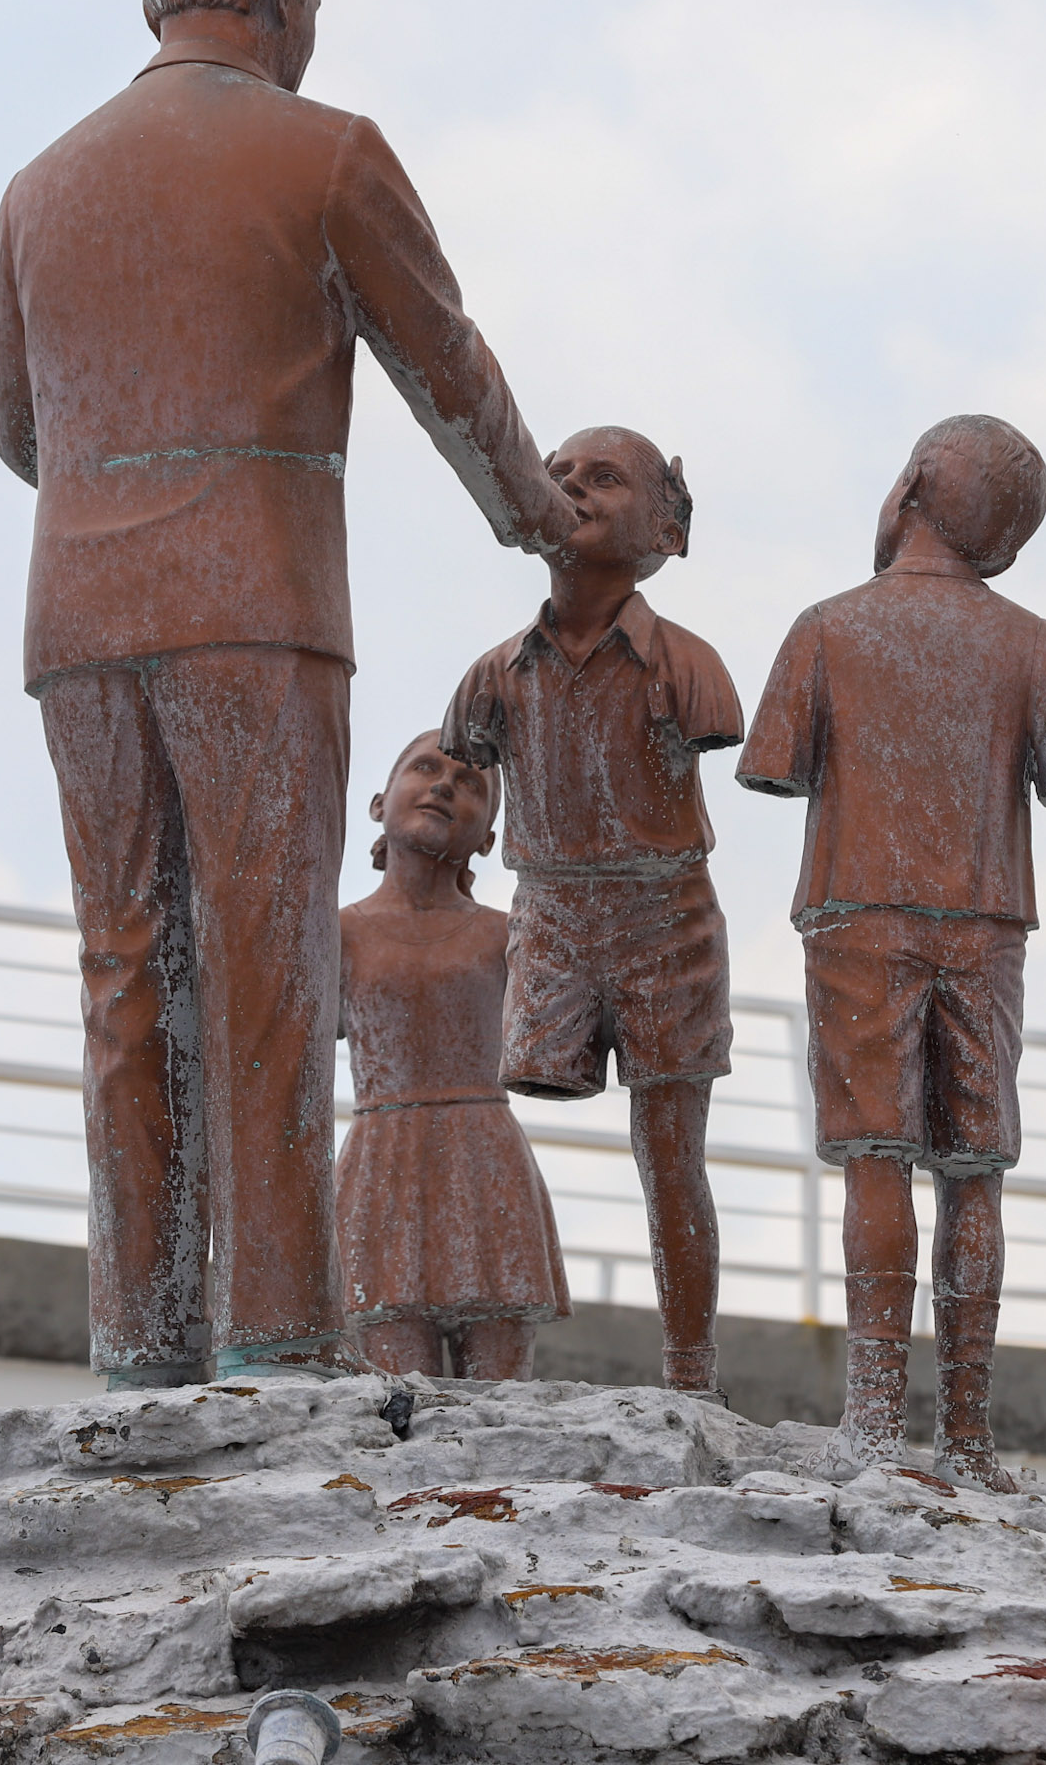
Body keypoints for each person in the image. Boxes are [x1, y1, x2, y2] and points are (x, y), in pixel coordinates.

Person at [0, 0, 571, 1388]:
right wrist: (541, 516)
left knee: (128, 961)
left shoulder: (39, 185)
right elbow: (446, 361)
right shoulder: (327, 155)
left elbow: (21, 436)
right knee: (266, 962)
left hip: (77, 616)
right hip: (256, 605)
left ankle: (140, 1338)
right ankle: (269, 1336)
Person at [736, 415, 1046, 1489]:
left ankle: (868, 1420)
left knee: (876, 1156)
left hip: (859, 912)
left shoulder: (825, 626)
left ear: (907, 483)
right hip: (987, 921)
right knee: (976, 1168)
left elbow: (775, 761)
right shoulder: (1031, 639)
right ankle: (966, 1434)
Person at [442, 428, 740, 1396]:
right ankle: (490, 1332)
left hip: (668, 921)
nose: (575, 491)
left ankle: (689, 1371)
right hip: (554, 917)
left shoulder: (687, 667)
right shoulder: (494, 676)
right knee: (508, 1116)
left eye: (605, 479)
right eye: (560, 477)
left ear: (669, 528)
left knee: (670, 1157)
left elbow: (719, 729)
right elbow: (466, 756)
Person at [335, 733, 569, 1379]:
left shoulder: (508, 934)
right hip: (382, 1164)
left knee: (501, 1400)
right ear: (380, 803)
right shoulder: (338, 933)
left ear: (489, 839)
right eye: (426, 769)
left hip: (486, 1162)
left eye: (470, 784)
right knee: (395, 1393)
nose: (443, 786)